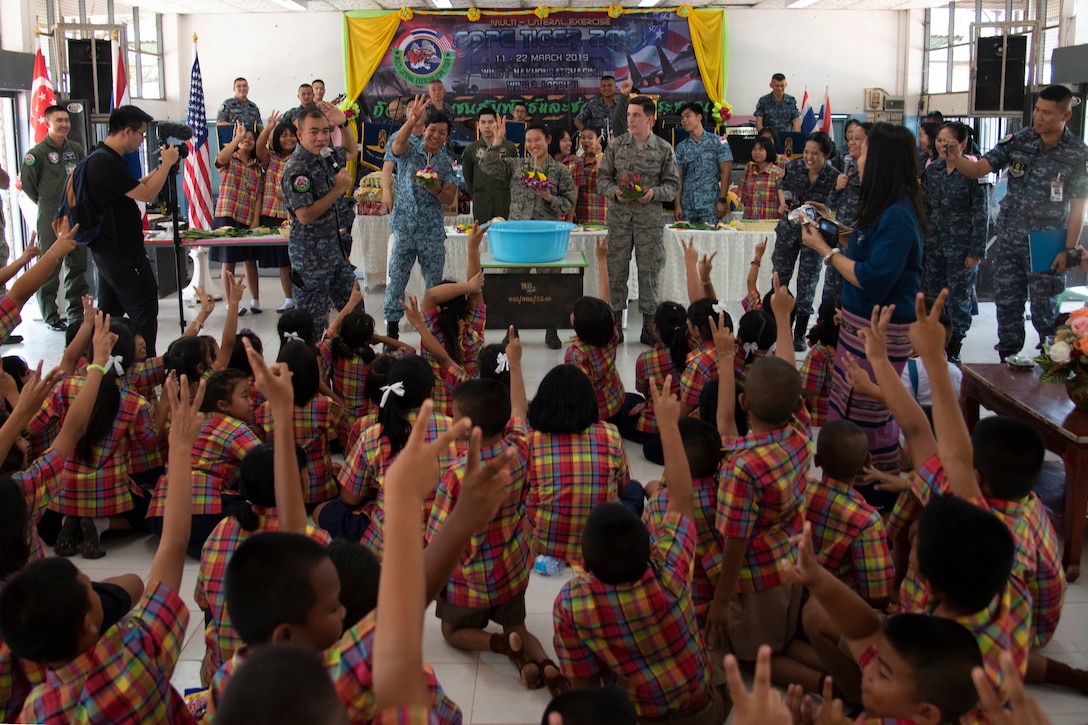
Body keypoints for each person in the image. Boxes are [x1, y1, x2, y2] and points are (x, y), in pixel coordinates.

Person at [0, 374, 204, 723]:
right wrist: (181, 447)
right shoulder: (140, 653)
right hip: (114, 499)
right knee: (133, 583)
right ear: (92, 623)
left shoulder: (37, 711)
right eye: (87, 587)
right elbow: (172, 543)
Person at [552, 376, 729, 720]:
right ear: (650, 545)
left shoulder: (574, 604)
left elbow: (587, 691)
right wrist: (668, 425)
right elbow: (680, 497)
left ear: (585, 565)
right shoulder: (671, 567)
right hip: (703, 711)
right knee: (720, 664)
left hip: (637, 716)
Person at [801, 123, 923, 507]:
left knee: (867, 415)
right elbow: (862, 250)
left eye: (865, 151)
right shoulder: (883, 205)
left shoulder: (899, 215)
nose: (857, 156)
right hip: (858, 326)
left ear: (883, 160)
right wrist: (832, 227)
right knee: (847, 407)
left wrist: (824, 248)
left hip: (880, 330)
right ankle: (845, 487)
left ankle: (871, 495)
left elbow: (872, 278)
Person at [944, 83, 1088, 360]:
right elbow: (977, 169)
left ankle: (1053, 363)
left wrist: (1069, 250)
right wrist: (956, 158)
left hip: (1048, 243)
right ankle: (1007, 362)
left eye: (1046, 112)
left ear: (1065, 116)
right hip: (1010, 241)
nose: (1038, 117)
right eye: (1037, 110)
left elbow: (1078, 208)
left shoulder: (1077, 153)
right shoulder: (1020, 140)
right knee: (1008, 306)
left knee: (1046, 311)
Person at [79, 104, 178, 357]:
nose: (142, 140)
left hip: (109, 251)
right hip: (121, 252)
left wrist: (161, 169)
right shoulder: (104, 163)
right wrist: (166, 165)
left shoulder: (103, 158)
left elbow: (134, 186)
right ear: (126, 131)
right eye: (141, 134)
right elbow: (146, 194)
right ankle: (143, 365)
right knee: (144, 309)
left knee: (109, 312)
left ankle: (109, 360)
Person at [479, 119, 576, 348]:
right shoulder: (517, 166)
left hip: (546, 237)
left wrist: (549, 198)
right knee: (513, 284)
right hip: (518, 237)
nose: (533, 145)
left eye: (538, 140)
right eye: (529, 141)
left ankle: (551, 330)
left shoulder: (560, 171)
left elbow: (569, 202)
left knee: (550, 285)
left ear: (548, 140)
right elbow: (487, 166)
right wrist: (497, 141)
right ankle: (512, 329)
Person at [597, 96, 680, 345]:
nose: (630, 120)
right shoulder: (615, 146)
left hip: (649, 220)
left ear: (649, 119)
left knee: (649, 272)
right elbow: (602, 179)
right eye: (629, 115)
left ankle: (648, 327)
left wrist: (654, 194)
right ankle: (616, 326)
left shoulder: (664, 149)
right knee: (617, 271)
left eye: (635, 115)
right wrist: (615, 192)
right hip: (620, 220)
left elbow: (673, 185)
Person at [383, 95, 458, 341]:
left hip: (431, 232)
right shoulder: (410, 149)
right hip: (404, 227)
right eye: (432, 130)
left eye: (442, 133)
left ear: (447, 136)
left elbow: (449, 197)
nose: (436, 136)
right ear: (424, 129)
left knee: (434, 284)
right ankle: (392, 332)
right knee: (396, 279)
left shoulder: (445, 161)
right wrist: (411, 120)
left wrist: (435, 188)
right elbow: (396, 148)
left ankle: (433, 331)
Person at [281, 108, 357, 333]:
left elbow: (351, 150)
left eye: (325, 131)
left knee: (354, 314)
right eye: (313, 132)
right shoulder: (297, 169)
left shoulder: (326, 156)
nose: (321, 137)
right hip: (310, 258)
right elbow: (304, 215)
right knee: (311, 325)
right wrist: (338, 190)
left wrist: (343, 124)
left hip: (335, 252)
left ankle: (345, 364)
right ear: (300, 134)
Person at [921, 121, 988, 362]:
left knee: (958, 297)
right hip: (934, 244)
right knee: (934, 294)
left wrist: (976, 251)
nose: (941, 145)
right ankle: (937, 343)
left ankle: (955, 347)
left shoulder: (975, 170)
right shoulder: (933, 169)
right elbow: (926, 206)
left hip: (962, 247)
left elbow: (981, 214)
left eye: (947, 141)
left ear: (961, 143)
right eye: (938, 140)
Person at [20, 104, 88, 332]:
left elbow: (82, 177)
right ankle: (50, 315)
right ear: (47, 123)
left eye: (66, 120)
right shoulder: (35, 154)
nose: (64, 124)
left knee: (77, 264)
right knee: (49, 265)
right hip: (50, 214)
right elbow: (29, 187)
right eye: (58, 120)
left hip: (75, 212)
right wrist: (49, 202)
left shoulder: (76, 149)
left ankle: (76, 313)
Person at [772, 131, 839, 351]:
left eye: (815, 154)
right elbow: (782, 187)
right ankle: (779, 326)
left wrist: (825, 211)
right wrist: (783, 203)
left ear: (826, 155)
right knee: (780, 276)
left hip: (814, 235)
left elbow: (835, 210)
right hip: (788, 229)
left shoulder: (834, 177)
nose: (808, 158)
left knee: (807, 281)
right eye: (807, 152)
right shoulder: (794, 166)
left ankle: (799, 333)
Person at [212, 121, 264, 315]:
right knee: (229, 261)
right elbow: (219, 158)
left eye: (252, 138)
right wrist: (236, 138)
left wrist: (256, 219)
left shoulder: (257, 168)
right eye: (245, 137)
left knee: (250, 261)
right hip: (227, 215)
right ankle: (229, 303)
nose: (248, 140)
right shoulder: (230, 160)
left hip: (247, 217)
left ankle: (256, 300)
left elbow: (259, 195)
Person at [254, 116, 300, 313]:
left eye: (292, 135)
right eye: (283, 135)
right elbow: (259, 149)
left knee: (299, 259)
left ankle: (304, 296)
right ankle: (289, 298)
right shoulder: (271, 158)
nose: (288, 139)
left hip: (297, 214)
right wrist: (269, 127)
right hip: (274, 214)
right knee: (283, 260)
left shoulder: (301, 157)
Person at [673, 102, 733, 224]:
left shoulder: (718, 142)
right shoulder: (681, 148)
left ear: (699, 117)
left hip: (711, 205)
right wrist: (677, 205)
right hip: (688, 206)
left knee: (711, 241)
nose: (684, 120)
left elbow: (726, 172)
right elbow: (678, 178)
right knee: (689, 241)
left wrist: (722, 200)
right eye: (682, 118)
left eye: (687, 116)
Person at [461, 106, 517, 223]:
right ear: (478, 124)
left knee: (505, 234)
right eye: (483, 122)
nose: (487, 126)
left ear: (497, 124)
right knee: (482, 234)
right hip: (482, 200)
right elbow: (468, 177)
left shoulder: (509, 147)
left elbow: (514, 175)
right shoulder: (471, 149)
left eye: (491, 122)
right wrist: (477, 194)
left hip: (504, 199)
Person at [737, 136, 782, 221]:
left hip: (771, 224)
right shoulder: (750, 173)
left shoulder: (777, 173)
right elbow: (745, 201)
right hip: (750, 223)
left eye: (760, 149)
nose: (756, 152)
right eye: (754, 149)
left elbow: (783, 202)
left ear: (768, 151)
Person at [574, 126, 608, 225]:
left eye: (590, 137)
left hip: (600, 216)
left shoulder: (606, 159)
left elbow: (604, 180)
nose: (586, 141)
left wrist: (598, 155)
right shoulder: (577, 160)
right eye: (583, 137)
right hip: (581, 217)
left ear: (599, 139)